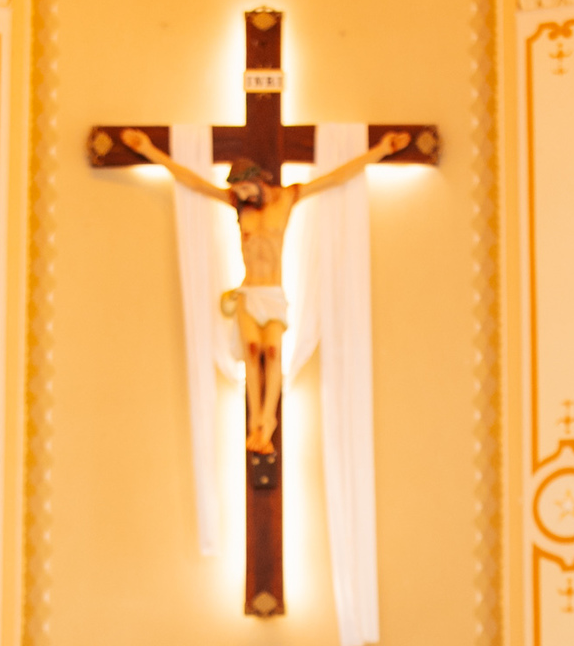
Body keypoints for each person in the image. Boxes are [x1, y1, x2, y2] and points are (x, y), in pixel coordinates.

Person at [121, 130, 408, 453]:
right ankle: (254, 422)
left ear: (257, 180)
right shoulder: (238, 205)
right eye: (238, 191)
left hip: (272, 292)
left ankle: (267, 421)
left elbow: (335, 177)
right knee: (251, 349)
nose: (242, 195)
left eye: (245, 188)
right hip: (249, 291)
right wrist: (149, 150)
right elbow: (194, 182)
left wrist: (380, 150)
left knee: (272, 351)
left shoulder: (287, 198)